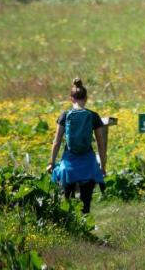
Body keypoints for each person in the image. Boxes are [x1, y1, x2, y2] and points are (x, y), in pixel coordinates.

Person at [48, 78, 107, 214]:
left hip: (69, 163)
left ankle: (69, 225)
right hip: (88, 163)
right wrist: (102, 166)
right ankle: (86, 223)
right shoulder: (93, 116)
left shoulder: (65, 115)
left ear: (71, 98)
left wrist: (51, 162)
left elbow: (56, 141)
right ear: (86, 98)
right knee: (86, 204)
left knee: (66, 201)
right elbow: (100, 143)